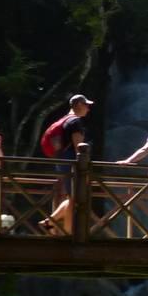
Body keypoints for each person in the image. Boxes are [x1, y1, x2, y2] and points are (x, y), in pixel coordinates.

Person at [43, 94, 93, 235]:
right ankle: (68, 233)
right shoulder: (75, 122)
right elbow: (79, 146)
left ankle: (50, 222)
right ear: (78, 105)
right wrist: (84, 165)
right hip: (72, 163)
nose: (88, 109)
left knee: (72, 198)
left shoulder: (64, 120)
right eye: (86, 105)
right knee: (76, 198)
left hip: (62, 161)